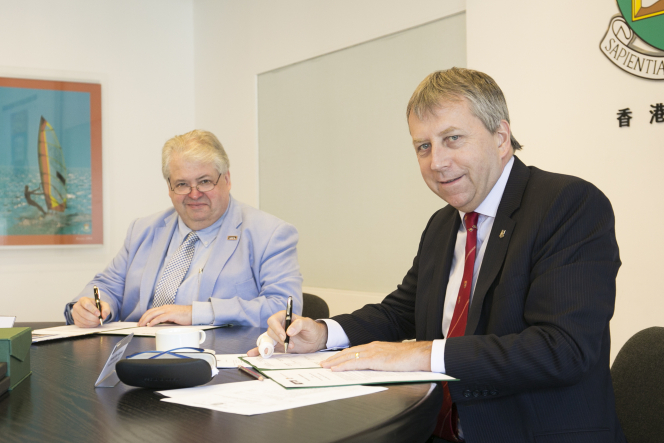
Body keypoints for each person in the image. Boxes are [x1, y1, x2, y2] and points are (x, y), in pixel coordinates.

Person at [250, 68, 625, 442]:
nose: (437, 162)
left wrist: (420, 355)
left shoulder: (568, 204)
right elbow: (402, 311)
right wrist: (323, 333)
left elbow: (563, 349)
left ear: (501, 137)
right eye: (423, 146)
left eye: (453, 139)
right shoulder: (444, 223)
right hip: (434, 428)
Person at [65, 129, 302, 328]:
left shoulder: (270, 234)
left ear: (227, 180)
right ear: (169, 188)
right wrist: (89, 306)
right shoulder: (143, 229)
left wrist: (196, 314)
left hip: (217, 363)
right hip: (135, 356)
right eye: (182, 184)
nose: (194, 193)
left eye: (205, 181)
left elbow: (283, 307)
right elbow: (107, 286)